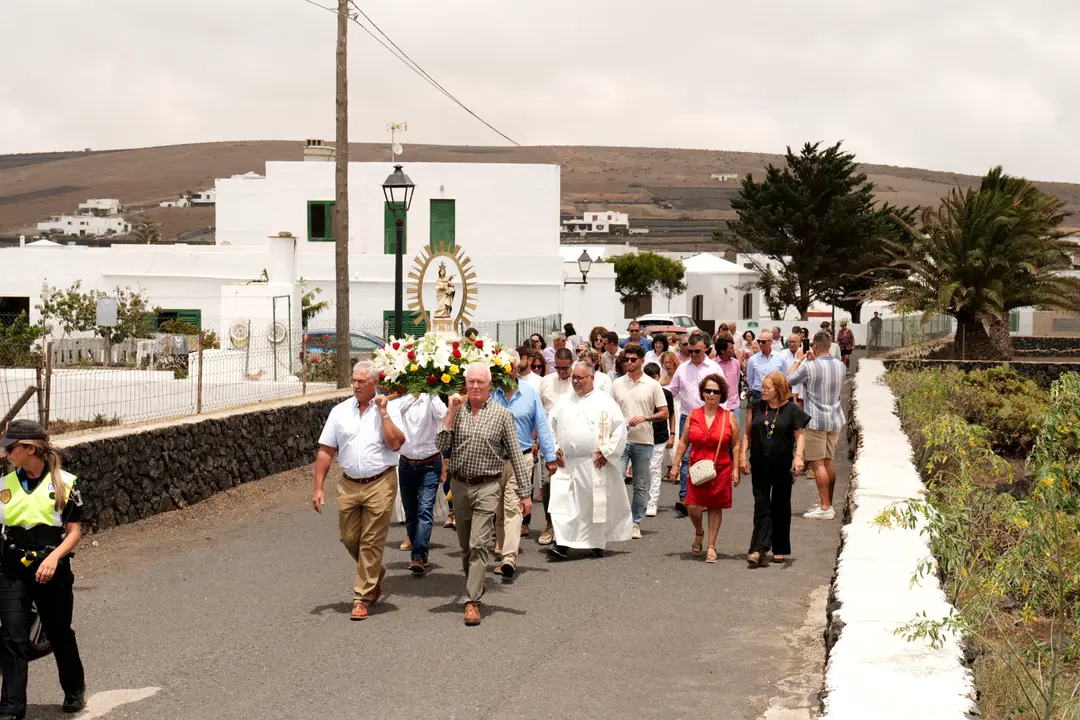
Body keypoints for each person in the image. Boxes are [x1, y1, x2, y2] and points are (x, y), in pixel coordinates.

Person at [0, 420, 86, 716]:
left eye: (11, 447)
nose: (5, 452)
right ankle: (11, 708)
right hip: (13, 568)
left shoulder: (65, 483)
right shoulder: (4, 485)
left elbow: (74, 532)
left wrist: (53, 559)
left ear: (30, 449)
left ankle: (74, 689)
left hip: (52, 566)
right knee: (12, 636)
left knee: (58, 631)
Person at [438, 364, 533, 626]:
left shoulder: (503, 415)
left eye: (481, 382)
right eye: (471, 382)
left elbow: (515, 454)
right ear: (465, 384)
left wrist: (525, 494)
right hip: (460, 485)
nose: (476, 386)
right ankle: (477, 584)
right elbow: (441, 445)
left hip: (488, 486)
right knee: (466, 545)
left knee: (480, 544)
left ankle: (472, 601)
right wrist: (449, 413)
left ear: (490, 384)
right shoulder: (456, 412)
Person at [314, 362, 405, 621]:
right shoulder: (339, 411)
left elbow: (396, 444)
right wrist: (318, 487)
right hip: (349, 484)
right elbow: (326, 451)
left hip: (381, 482)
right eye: (353, 380)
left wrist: (384, 413)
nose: (355, 385)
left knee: (371, 541)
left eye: (361, 381)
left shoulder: (389, 409)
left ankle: (360, 597)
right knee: (349, 538)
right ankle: (375, 571)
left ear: (374, 383)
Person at [546, 362, 634, 559]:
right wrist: (554, 448)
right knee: (564, 505)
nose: (575, 382)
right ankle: (561, 544)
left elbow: (620, 430)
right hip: (567, 464)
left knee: (594, 505)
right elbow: (549, 426)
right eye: (573, 378)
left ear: (592, 378)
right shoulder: (564, 401)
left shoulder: (605, 402)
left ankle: (596, 543)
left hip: (594, 463)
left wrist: (607, 451)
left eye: (580, 378)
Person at [491, 350, 558, 577]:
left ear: (516, 368)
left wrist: (550, 457)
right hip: (495, 460)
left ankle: (509, 558)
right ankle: (504, 550)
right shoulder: (491, 395)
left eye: (510, 366)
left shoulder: (530, 394)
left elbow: (542, 426)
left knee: (513, 507)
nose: (506, 371)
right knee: (498, 511)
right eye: (502, 367)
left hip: (522, 458)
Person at [740, 372, 810, 566]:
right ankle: (758, 549)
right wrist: (742, 456)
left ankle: (779, 547)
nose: (762, 390)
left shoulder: (791, 410)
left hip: (782, 465)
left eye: (767, 387)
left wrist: (798, 457)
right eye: (762, 386)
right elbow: (747, 434)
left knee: (780, 506)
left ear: (778, 390)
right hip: (760, 464)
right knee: (762, 506)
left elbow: (799, 436)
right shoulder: (756, 406)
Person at [669, 374, 741, 563]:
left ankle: (711, 546)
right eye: (707, 391)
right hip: (697, 467)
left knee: (716, 507)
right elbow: (684, 441)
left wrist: (735, 469)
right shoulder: (693, 414)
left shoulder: (729, 417)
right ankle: (699, 530)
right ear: (702, 392)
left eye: (715, 392)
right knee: (692, 505)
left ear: (721, 394)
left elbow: (735, 444)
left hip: (721, 468)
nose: (711, 394)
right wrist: (675, 465)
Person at [787, 331, 847, 520]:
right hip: (835, 418)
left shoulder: (809, 366)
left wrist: (800, 359)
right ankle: (827, 503)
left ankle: (824, 507)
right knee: (828, 462)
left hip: (815, 420)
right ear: (830, 346)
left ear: (814, 346)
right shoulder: (840, 365)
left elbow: (787, 380)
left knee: (817, 463)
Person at [611, 343, 669, 538]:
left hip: (644, 440)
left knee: (640, 484)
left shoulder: (652, 385)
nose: (628, 363)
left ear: (642, 361)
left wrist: (645, 418)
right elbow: (609, 411)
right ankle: (618, 520)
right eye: (626, 359)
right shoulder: (617, 384)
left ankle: (635, 522)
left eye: (633, 360)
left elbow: (664, 413)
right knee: (616, 480)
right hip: (620, 440)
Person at [665, 333, 721, 515]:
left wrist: (723, 418)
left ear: (705, 348)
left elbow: (723, 395)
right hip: (687, 418)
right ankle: (685, 497)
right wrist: (655, 393)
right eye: (690, 351)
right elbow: (672, 390)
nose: (693, 354)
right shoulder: (682, 369)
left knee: (706, 458)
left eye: (697, 351)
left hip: (709, 418)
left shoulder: (714, 368)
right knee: (686, 457)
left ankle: (703, 497)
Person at [391, 392, 447, 574]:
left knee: (425, 509)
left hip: (430, 463)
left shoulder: (432, 399)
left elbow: (443, 415)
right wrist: (411, 394)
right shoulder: (401, 400)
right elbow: (395, 412)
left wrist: (430, 392)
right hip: (406, 462)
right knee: (410, 511)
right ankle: (417, 548)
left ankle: (419, 556)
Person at [536, 348, 575, 545]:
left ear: (572, 364)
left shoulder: (578, 381)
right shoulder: (545, 382)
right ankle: (550, 524)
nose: (561, 372)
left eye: (565, 368)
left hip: (572, 441)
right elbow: (538, 413)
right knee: (548, 484)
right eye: (557, 368)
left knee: (572, 486)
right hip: (549, 441)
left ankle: (569, 526)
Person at [642, 362, 675, 517]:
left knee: (654, 469)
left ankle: (652, 501)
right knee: (643, 470)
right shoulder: (641, 393)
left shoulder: (666, 394)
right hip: (642, 436)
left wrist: (673, 434)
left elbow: (671, 414)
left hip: (660, 436)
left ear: (658, 377)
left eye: (653, 378)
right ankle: (643, 498)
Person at [745, 330, 790, 406]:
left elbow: (784, 377)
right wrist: (756, 389)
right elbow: (750, 379)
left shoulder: (780, 358)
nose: (760, 344)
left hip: (775, 395)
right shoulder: (752, 360)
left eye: (763, 342)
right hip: (758, 394)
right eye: (759, 341)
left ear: (770, 342)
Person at [714, 336, 742, 414]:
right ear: (723, 351)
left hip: (734, 406)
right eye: (731, 348)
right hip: (717, 406)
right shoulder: (713, 365)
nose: (734, 350)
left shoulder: (736, 363)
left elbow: (737, 383)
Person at [778, 334, 805, 406]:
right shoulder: (782, 354)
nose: (791, 344)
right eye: (789, 342)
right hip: (787, 388)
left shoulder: (804, 353)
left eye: (794, 342)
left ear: (799, 343)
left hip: (801, 389)